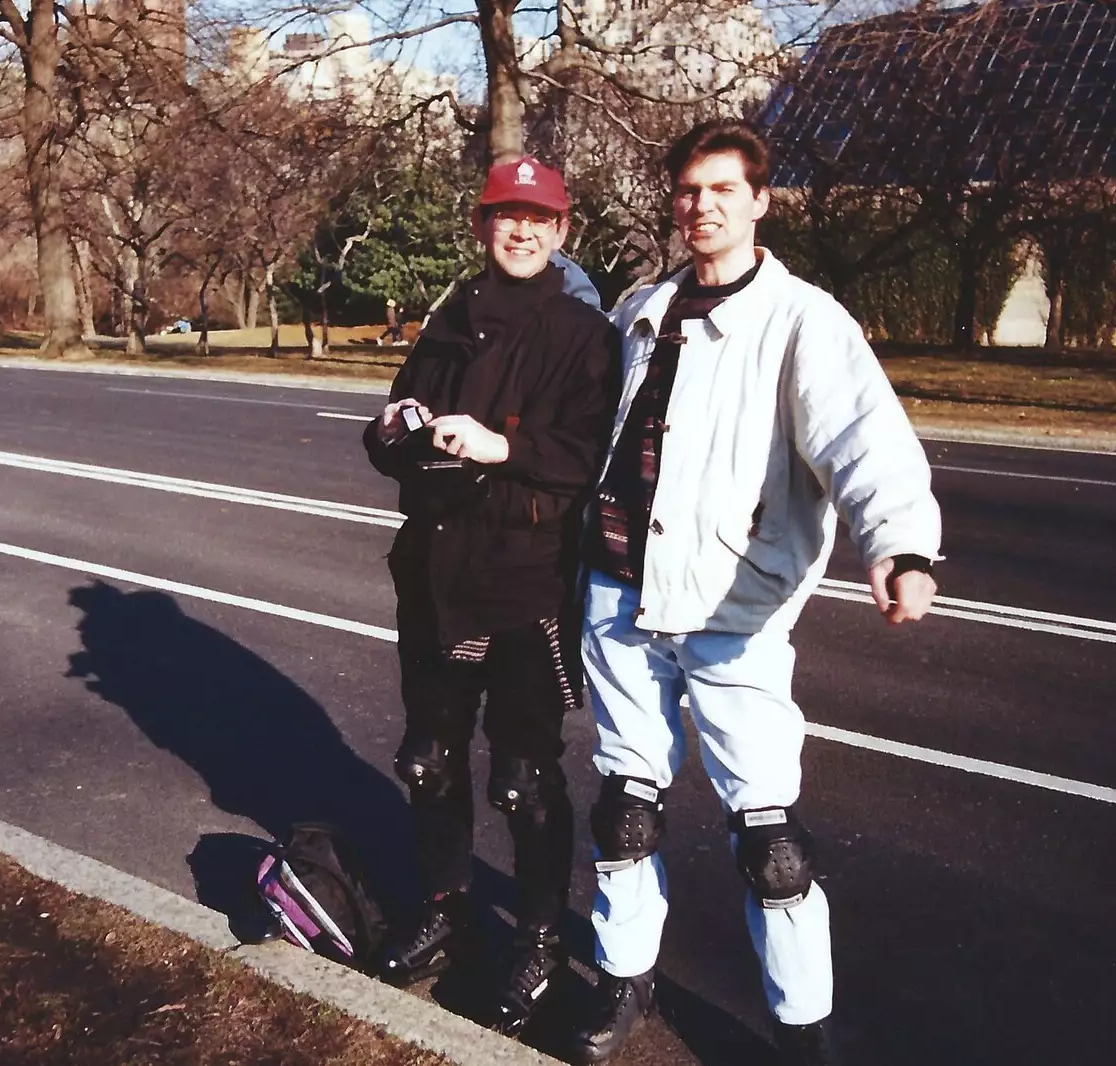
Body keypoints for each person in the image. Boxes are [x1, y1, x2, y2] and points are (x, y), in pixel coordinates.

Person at [569, 120, 942, 1066]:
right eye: (690, 190)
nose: (702, 206)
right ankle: (623, 979)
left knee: (771, 843)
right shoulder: (640, 310)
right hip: (620, 594)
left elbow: (866, 438)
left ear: (760, 201)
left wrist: (899, 545)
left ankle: (799, 1025)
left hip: (732, 615)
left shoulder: (802, 320)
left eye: (723, 190)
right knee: (623, 811)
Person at [363, 156, 621, 1037]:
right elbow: (394, 426)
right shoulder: (450, 318)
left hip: (523, 586)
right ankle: (446, 908)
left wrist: (498, 447)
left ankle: (541, 940)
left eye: (538, 219)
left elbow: (587, 459)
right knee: (428, 759)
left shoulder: (583, 335)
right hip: (433, 573)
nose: (521, 230)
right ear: (482, 226)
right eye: (506, 216)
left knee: (524, 777)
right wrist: (392, 430)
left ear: (562, 231)